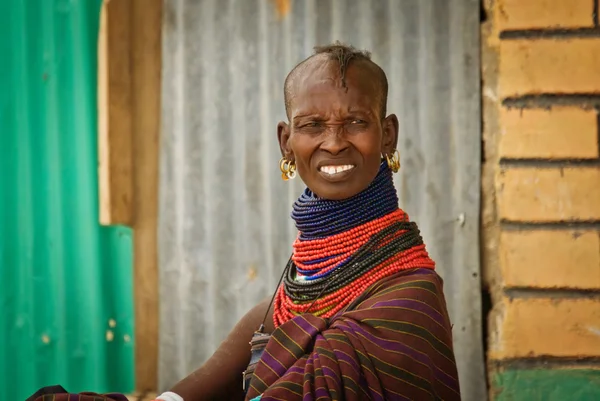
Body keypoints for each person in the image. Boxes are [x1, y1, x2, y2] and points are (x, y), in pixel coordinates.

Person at [155, 43, 461, 401]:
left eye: (356, 122)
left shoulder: (407, 302)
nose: (333, 143)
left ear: (388, 135)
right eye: (312, 125)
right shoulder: (288, 300)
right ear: (286, 142)